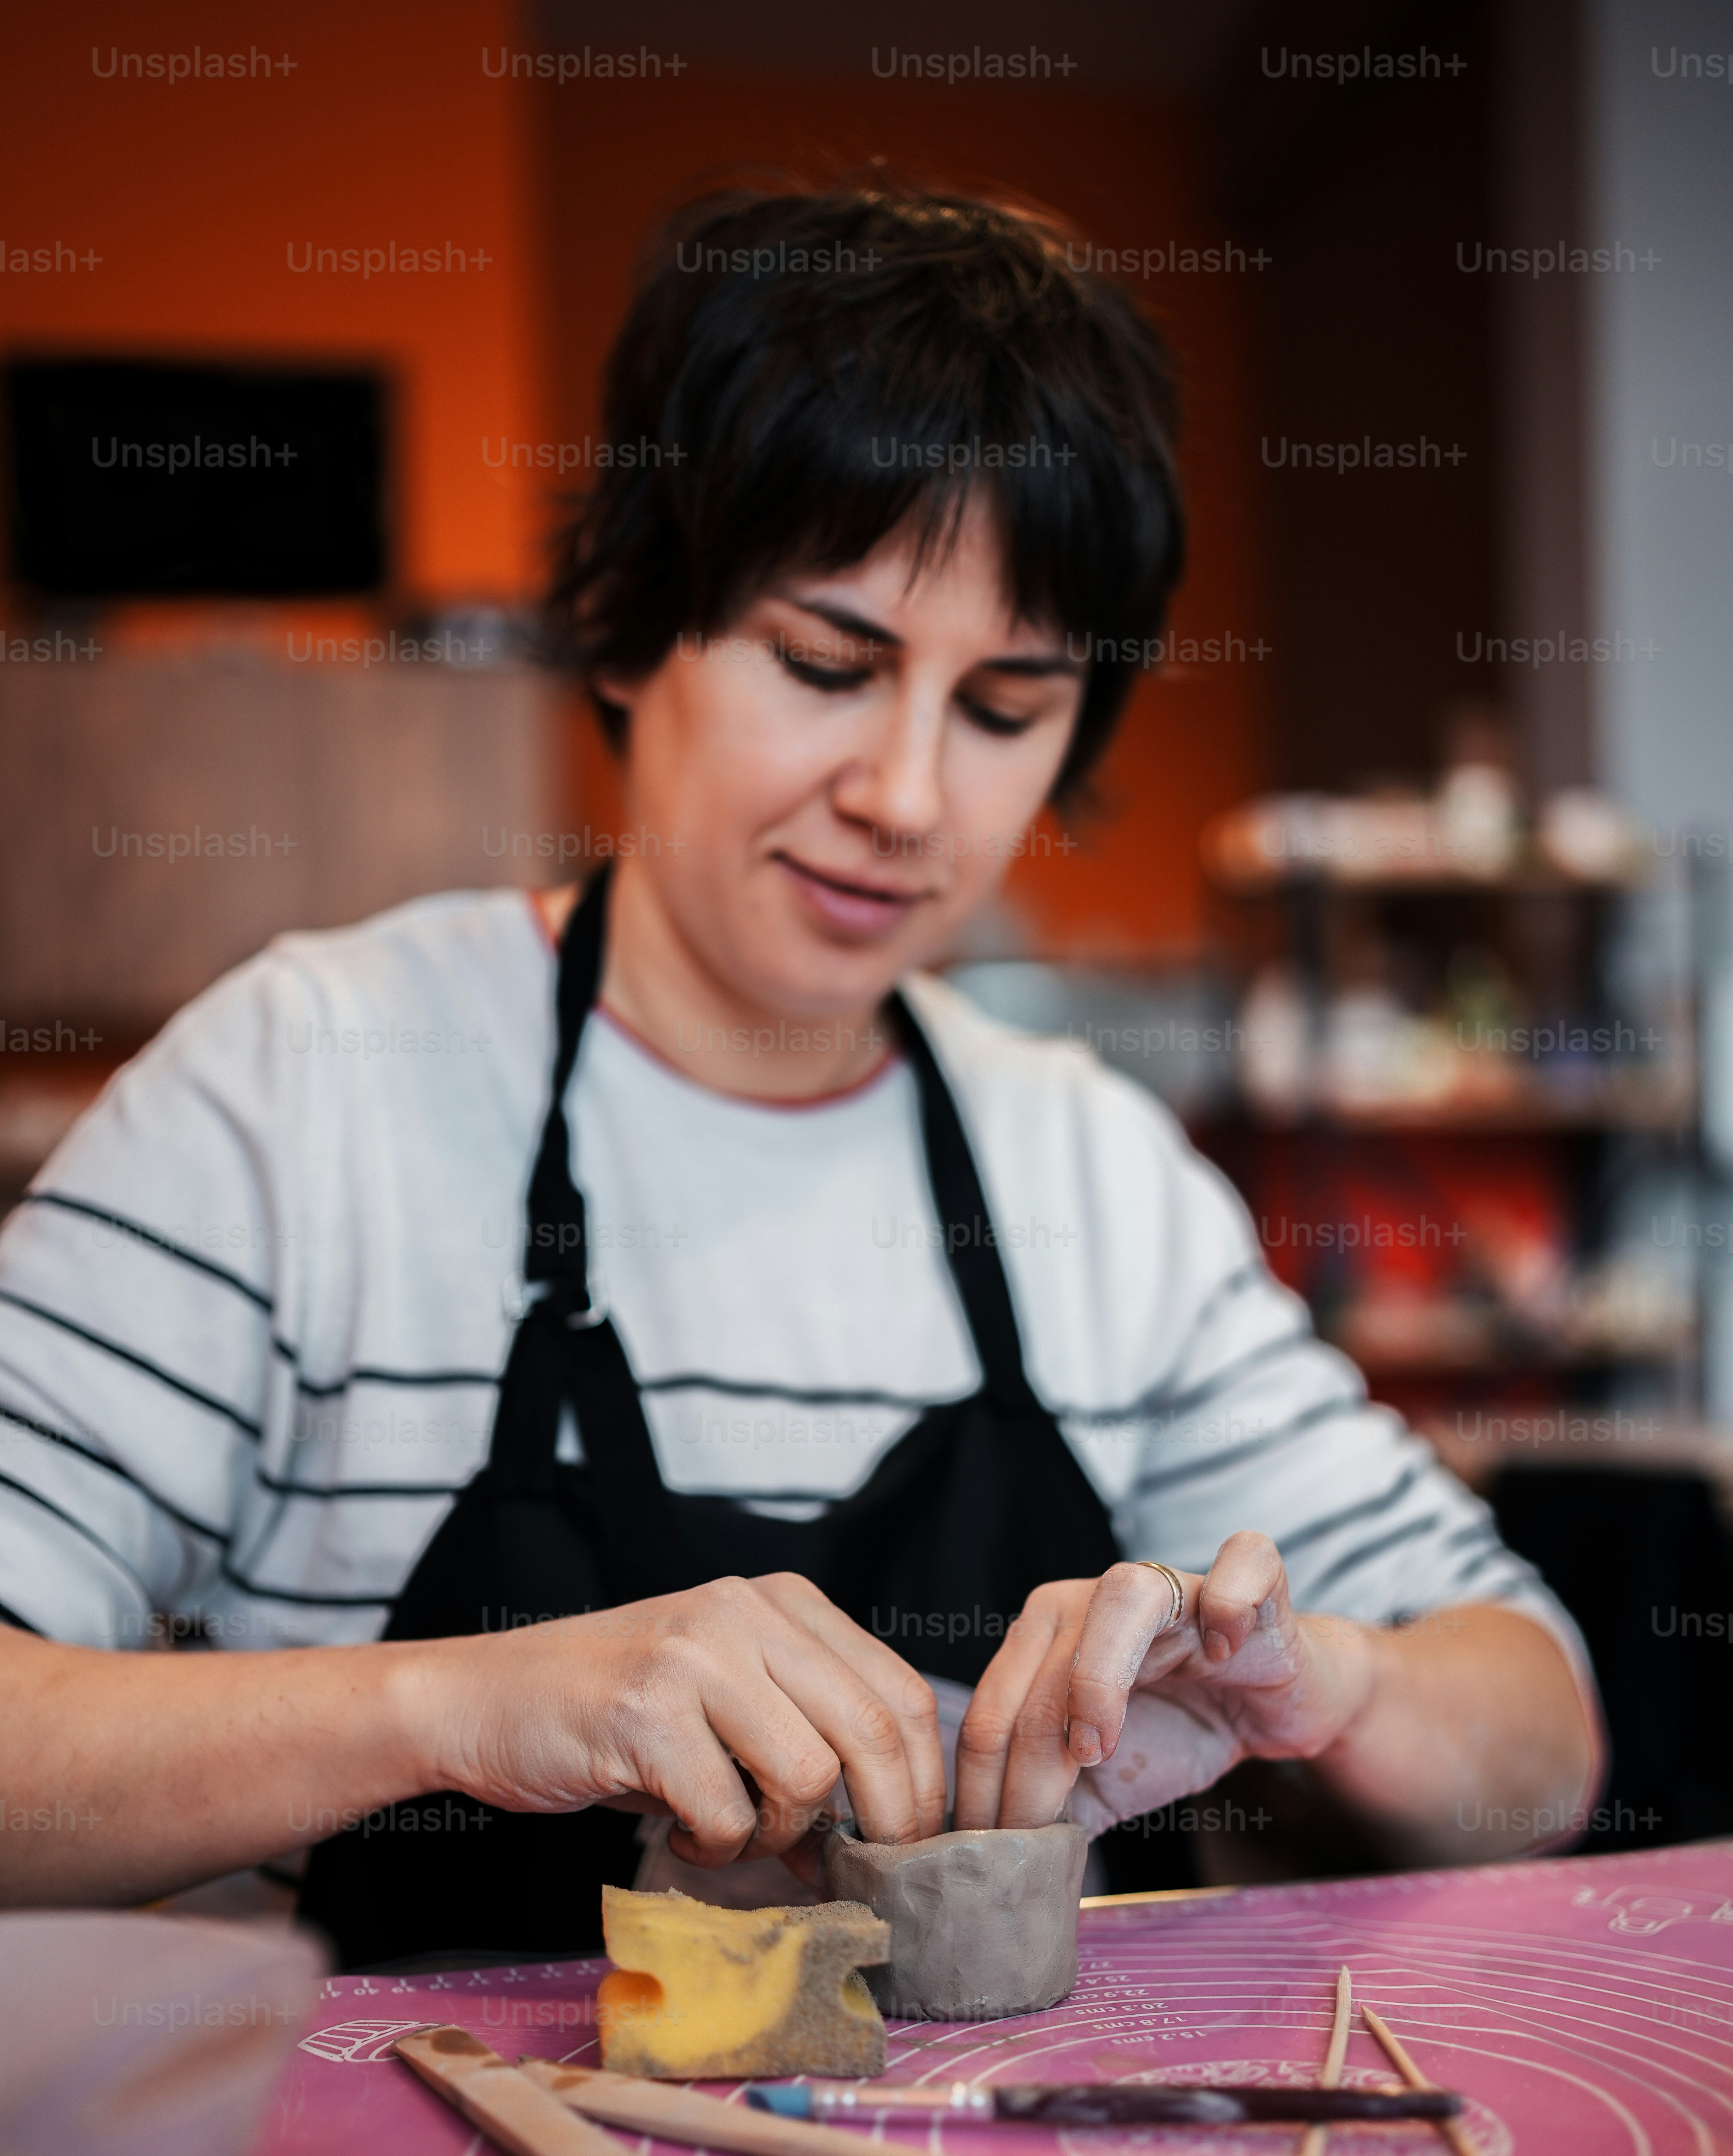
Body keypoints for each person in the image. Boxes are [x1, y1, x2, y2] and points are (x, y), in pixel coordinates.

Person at [0, 182, 1598, 1964]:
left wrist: (1324, 1684)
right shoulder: (302, 1092)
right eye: (827, 664)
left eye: (1003, 708)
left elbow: (1538, 1741)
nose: (908, 797)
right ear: (622, 623)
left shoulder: (1091, 1176)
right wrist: (450, 1710)